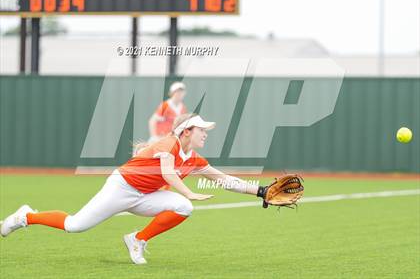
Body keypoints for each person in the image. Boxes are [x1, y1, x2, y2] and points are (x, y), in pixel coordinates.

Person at [0, 113, 264, 265]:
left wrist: (261, 191)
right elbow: (168, 173)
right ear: (185, 132)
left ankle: (138, 239)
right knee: (74, 225)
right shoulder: (167, 144)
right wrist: (188, 190)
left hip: (146, 196)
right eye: (201, 129)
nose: (206, 133)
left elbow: (225, 179)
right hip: (122, 187)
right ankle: (25, 217)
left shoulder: (194, 157)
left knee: (184, 208)